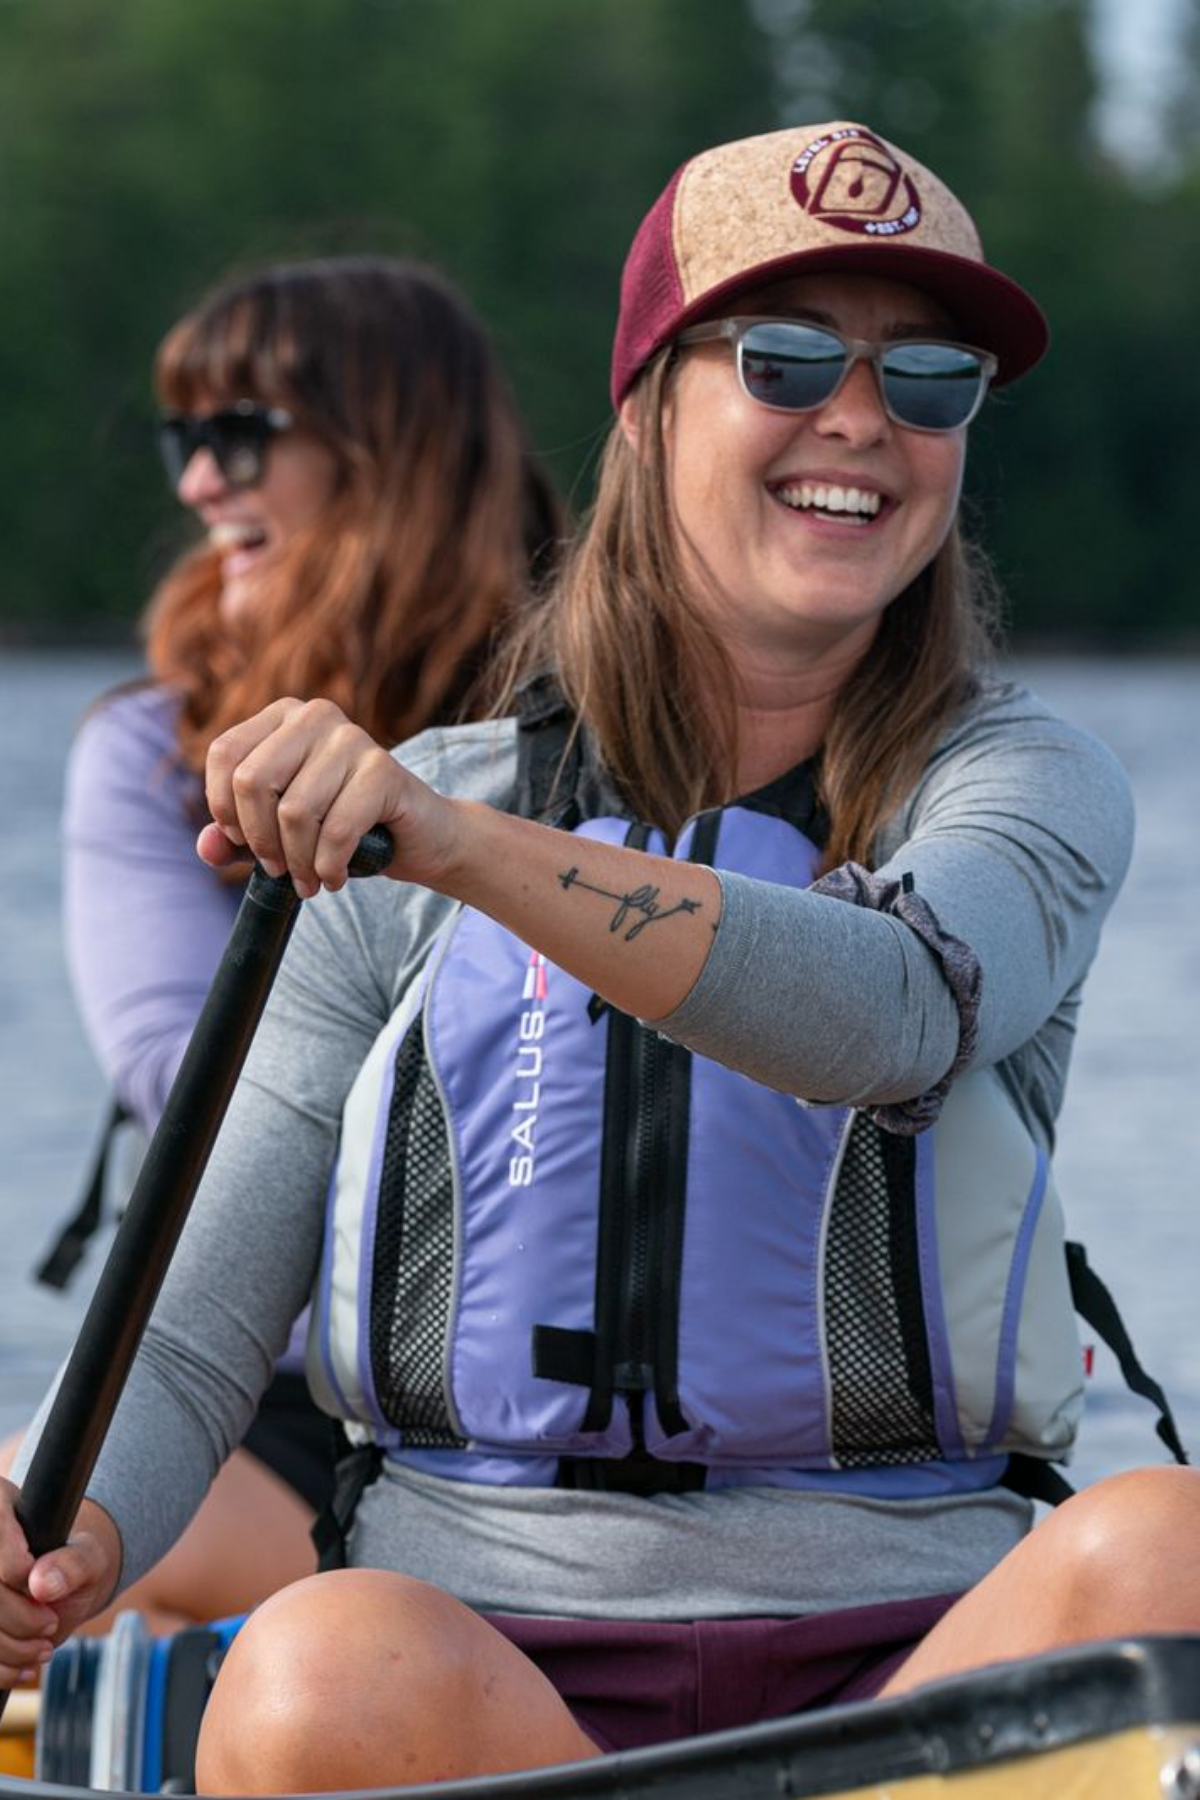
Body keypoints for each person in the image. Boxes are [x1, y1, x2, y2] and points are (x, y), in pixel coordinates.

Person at [3, 120, 1198, 1793]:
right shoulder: (421, 819)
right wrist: (59, 1530)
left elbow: (897, 1008)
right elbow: (198, 1337)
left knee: (1173, 1550)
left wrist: (460, 845)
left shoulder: (1017, 784)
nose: (862, 417)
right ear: (648, 404)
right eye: (786, 358)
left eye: (929, 382)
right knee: (309, 1670)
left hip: (924, 1665)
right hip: (480, 1659)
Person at [0, 254, 563, 1635]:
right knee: (24, 1528)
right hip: (257, 1393)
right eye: (184, 440)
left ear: (397, 455)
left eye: (238, 436)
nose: (196, 484)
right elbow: (173, 1073)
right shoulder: (147, 750)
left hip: (561, 1404)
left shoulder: (591, 729)